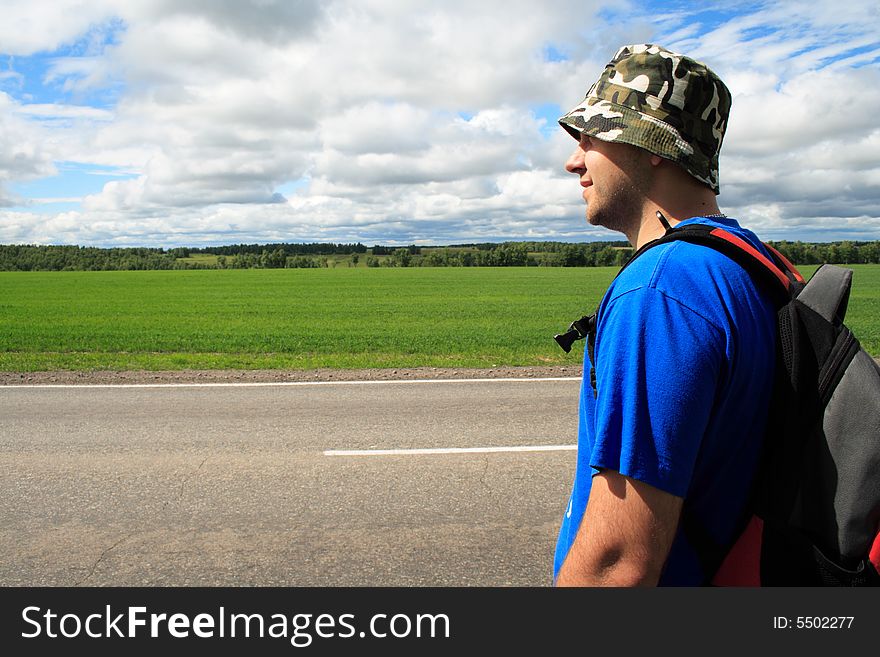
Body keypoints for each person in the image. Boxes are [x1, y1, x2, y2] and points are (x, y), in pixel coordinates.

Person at [553, 44, 777, 586]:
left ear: (651, 142)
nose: (573, 160)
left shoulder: (662, 289)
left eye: (592, 136)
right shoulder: (741, 262)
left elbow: (617, 565)